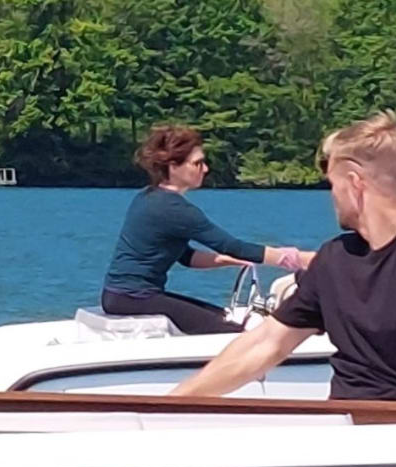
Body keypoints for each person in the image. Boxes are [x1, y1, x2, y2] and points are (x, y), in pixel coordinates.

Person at [170, 111, 396, 420]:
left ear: (355, 184)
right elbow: (264, 344)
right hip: (345, 432)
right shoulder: (334, 260)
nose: (331, 197)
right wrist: (172, 404)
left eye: (333, 185)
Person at [100, 124, 306, 335]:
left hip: (121, 297)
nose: (205, 169)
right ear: (173, 166)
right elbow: (232, 246)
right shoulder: (174, 208)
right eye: (198, 163)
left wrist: (228, 260)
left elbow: (186, 257)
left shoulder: (148, 197)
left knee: (221, 317)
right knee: (233, 334)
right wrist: (298, 259)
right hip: (135, 298)